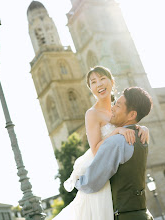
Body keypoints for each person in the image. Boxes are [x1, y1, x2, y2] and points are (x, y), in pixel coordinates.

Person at [54, 67, 149, 220]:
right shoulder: (92, 114)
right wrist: (115, 132)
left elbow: (130, 124)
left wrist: (141, 128)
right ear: (90, 89)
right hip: (101, 173)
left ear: (112, 81)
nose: (99, 84)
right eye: (93, 82)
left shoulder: (119, 108)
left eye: (102, 79)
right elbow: (96, 150)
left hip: (121, 174)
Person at [75, 86, 154, 219]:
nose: (112, 108)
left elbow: (91, 183)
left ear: (132, 115)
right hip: (143, 214)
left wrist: (76, 180)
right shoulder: (142, 137)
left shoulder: (116, 142)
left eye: (117, 105)